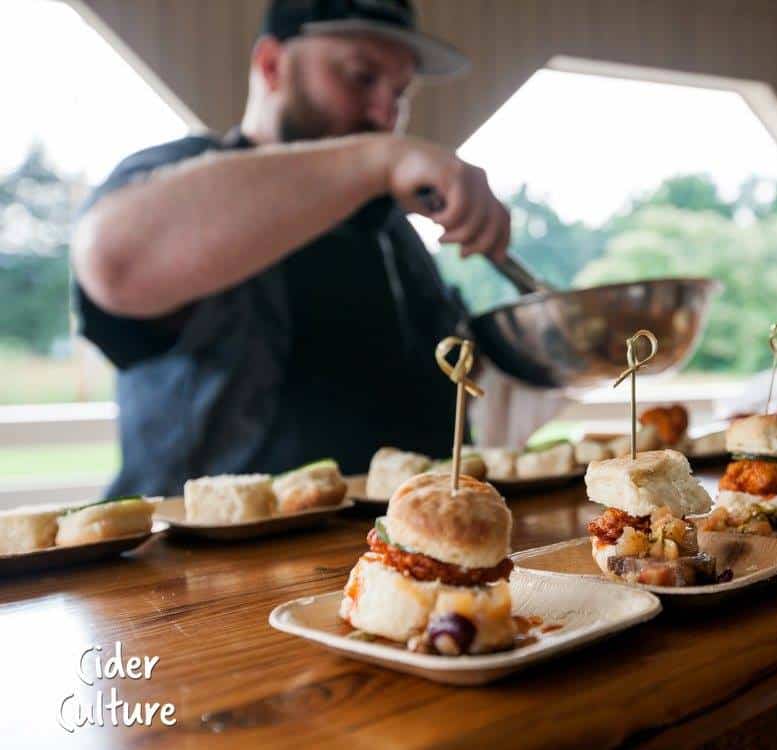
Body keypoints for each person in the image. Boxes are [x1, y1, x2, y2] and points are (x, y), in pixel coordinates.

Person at [71, 0, 511, 497]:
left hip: (405, 560)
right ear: (271, 65)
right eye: (362, 77)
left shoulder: (391, 231)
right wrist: (383, 157)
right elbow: (116, 263)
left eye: (400, 92)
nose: (386, 113)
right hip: (220, 570)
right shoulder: (185, 173)